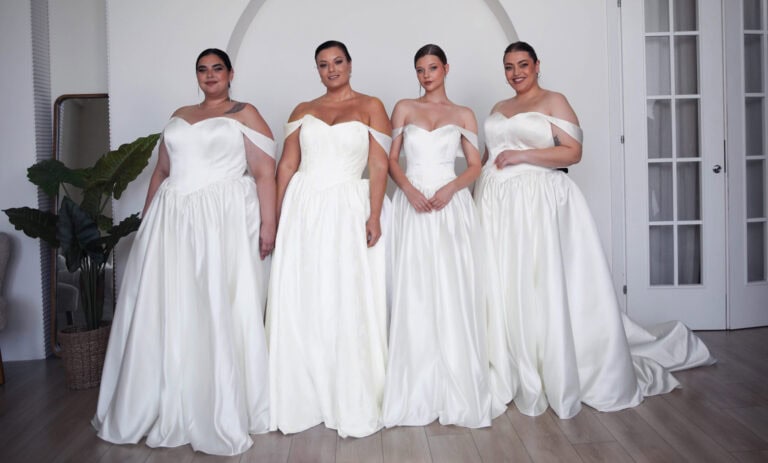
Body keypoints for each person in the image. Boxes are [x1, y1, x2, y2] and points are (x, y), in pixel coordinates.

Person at [475, 41, 715, 419]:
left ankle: (552, 359)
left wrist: (522, 155)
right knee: (504, 278)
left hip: (537, 202)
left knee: (540, 277)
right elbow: (487, 158)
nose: (516, 72)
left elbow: (573, 152)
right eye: (509, 66)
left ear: (537, 65)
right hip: (496, 204)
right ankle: (509, 358)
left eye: (523, 64)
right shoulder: (497, 108)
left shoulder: (554, 101)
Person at [92, 48, 276, 455]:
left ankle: (219, 400)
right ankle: (164, 394)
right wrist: (147, 220)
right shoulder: (179, 113)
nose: (210, 75)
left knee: (217, 300)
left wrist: (268, 224)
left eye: (217, 69)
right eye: (202, 70)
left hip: (221, 219)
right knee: (169, 301)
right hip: (172, 218)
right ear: (197, 76)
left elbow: (265, 173)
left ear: (230, 74)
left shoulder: (246, 113)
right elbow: (162, 171)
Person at [266, 40, 392, 438]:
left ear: (350, 65)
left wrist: (374, 213)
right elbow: (287, 164)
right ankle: (302, 389)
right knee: (304, 289)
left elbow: (378, 163)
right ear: (317, 70)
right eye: (323, 64)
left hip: (348, 205)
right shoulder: (302, 110)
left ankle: (346, 386)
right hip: (304, 206)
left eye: (338, 62)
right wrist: (277, 216)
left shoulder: (371, 105)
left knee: (344, 290)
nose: (331, 69)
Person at [382, 44, 501, 428]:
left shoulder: (463, 114)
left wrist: (451, 188)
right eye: (420, 69)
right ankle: (415, 382)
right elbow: (390, 159)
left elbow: (475, 165)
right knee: (414, 286)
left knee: (452, 285)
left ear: (446, 68)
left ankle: (456, 377)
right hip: (413, 201)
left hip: (451, 205)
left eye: (432, 68)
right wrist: (408, 191)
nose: (426, 75)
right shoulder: (403, 108)